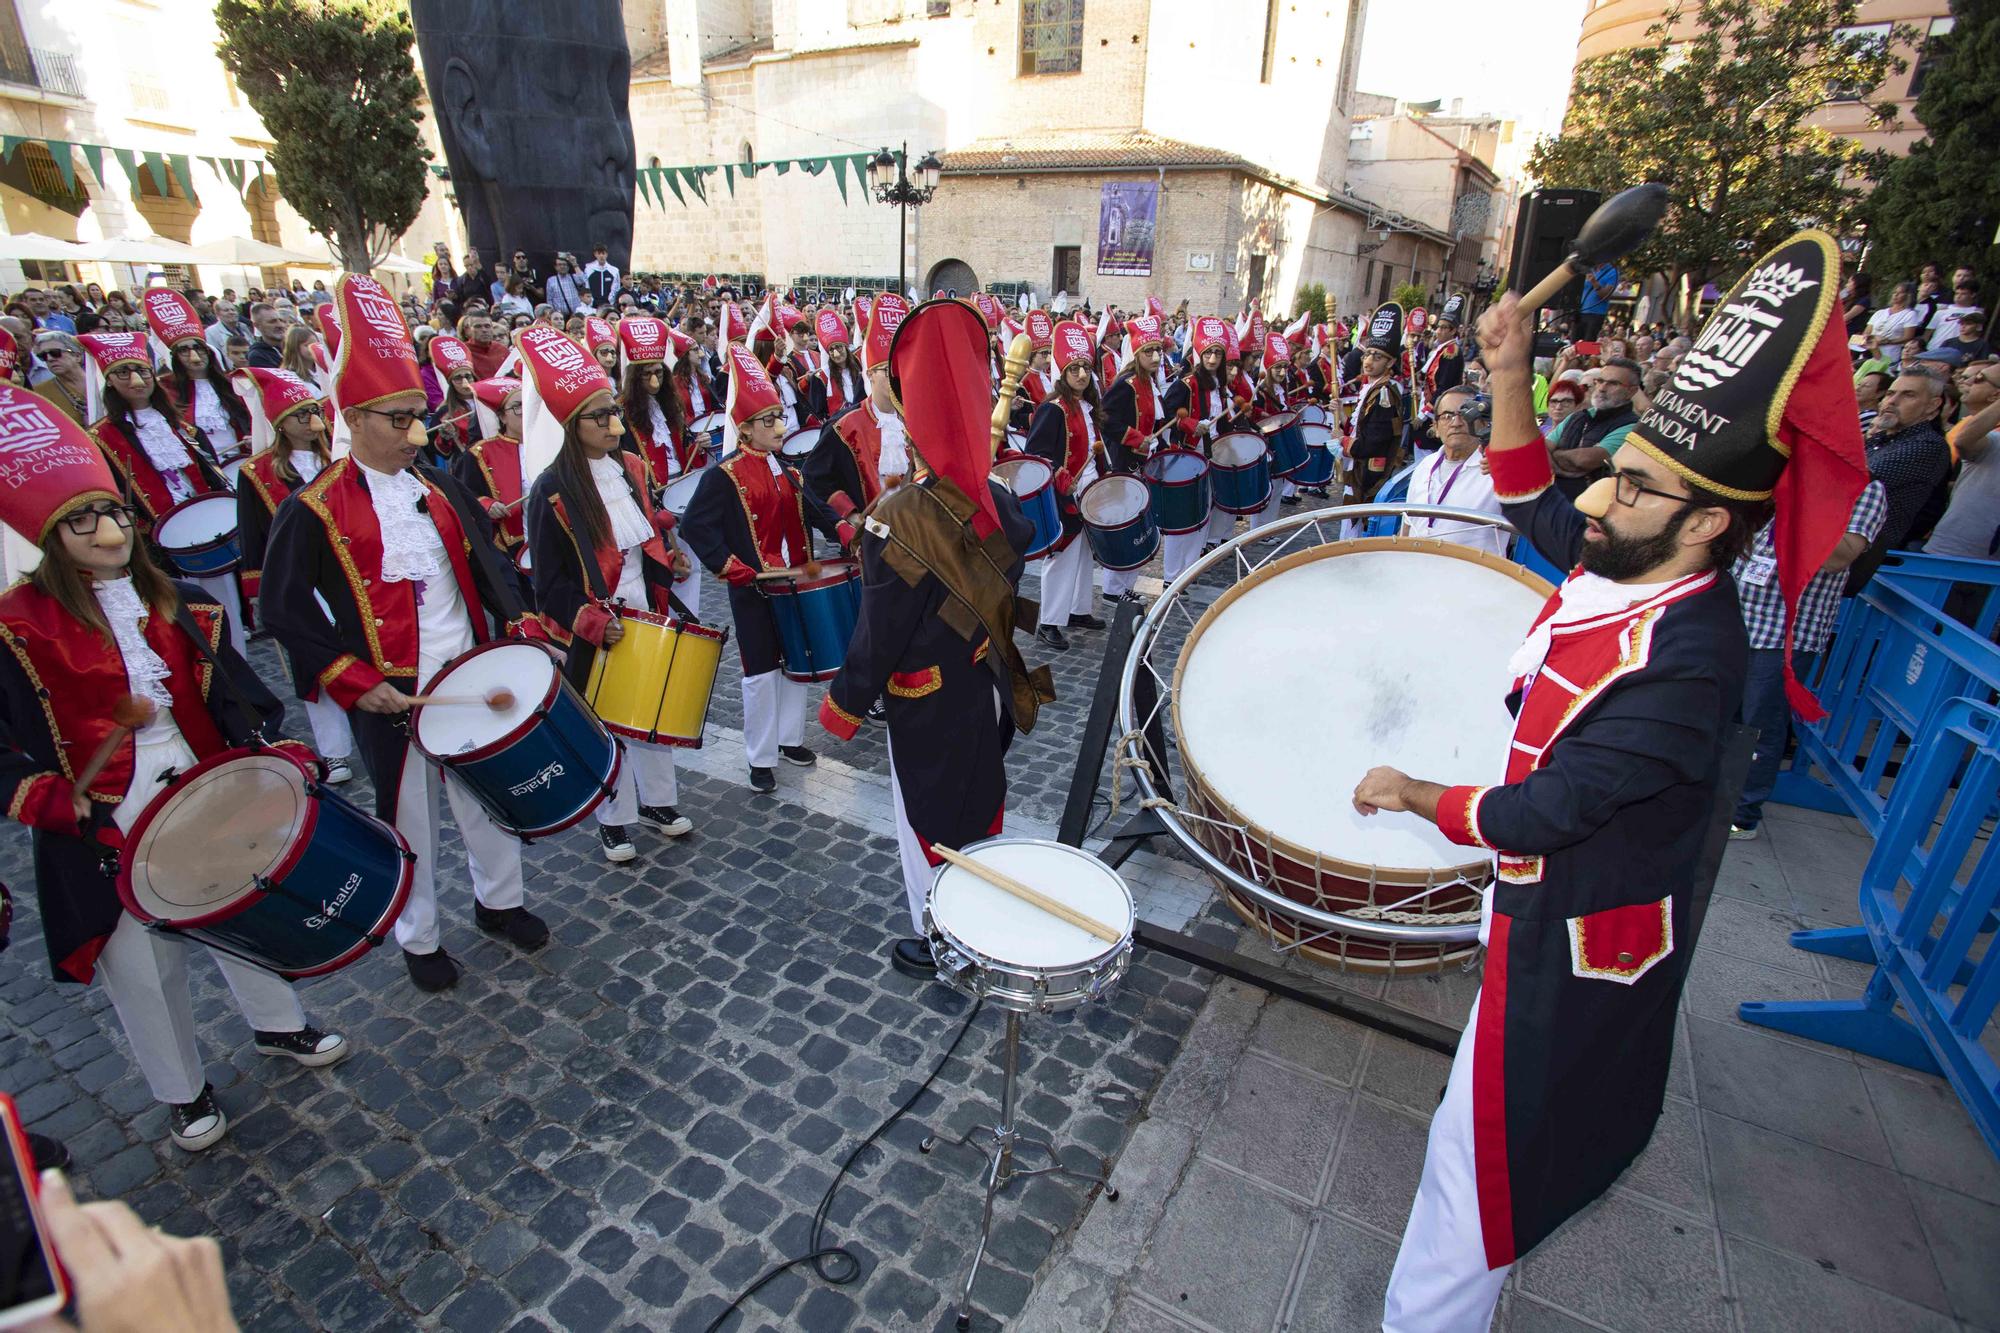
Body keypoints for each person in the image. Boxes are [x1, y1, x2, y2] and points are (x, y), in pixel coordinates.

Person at [1359, 232, 1869, 1332]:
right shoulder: (1627, 561)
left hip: (1572, 937)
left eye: (1633, 489)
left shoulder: (1688, 664)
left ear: (1706, 524)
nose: (1597, 505)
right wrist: (1506, 372)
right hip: (1533, 912)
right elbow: (1536, 501)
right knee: (1476, 1132)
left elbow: (1542, 812)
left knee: (1480, 1163)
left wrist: (1410, 792)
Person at [0, 385, 348, 1153]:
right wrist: (55, 799)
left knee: (237, 909)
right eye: (83, 518)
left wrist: (265, 745)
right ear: (50, 536)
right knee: (141, 958)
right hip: (103, 811)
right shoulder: (15, 627)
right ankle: (181, 1089)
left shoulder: (178, 598)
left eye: (115, 512)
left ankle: (277, 1024)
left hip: (200, 779)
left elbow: (235, 694)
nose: (108, 528)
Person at [260, 274, 550, 994]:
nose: (414, 432)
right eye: (397, 419)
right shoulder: (312, 509)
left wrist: (517, 623)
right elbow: (283, 612)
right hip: (392, 691)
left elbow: (485, 561)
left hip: (466, 668)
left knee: (489, 798)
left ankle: (500, 902)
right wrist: (357, 685)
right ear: (354, 416)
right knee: (407, 816)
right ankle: (418, 935)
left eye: (419, 416)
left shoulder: (440, 483)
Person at [815, 298, 1050, 978]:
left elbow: (879, 632)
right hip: (984, 683)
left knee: (927, 827)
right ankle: (980, 917)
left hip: (924, 698)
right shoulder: (999, 499)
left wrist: (845, 702)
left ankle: (947, 942)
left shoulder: (898, 515)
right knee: (980, 805)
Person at [514, 328, 695, 863]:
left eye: (614, 412)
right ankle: (613, 817)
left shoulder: (632, 469)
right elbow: (548, 583)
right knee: (605, 723)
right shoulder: (551, 490)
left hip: (644, 608)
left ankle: (659, 802)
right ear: (573, 426)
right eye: (601, 417)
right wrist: (591, 623)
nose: (616, 425)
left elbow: (647, 541)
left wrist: (672, 560)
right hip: (597, 623)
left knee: (654, 711)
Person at [680, 344, 851, 793]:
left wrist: (846, 529)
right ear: (746, 428)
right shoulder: (724, 474)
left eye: (780, 417)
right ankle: (759, 757)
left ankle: (789, 739)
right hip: (755, 587)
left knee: (798, 661)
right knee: (760, 671)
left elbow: (813, 509)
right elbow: (698, 527)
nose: (781, 426)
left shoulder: (787, 469)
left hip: (794, 581)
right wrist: (736, 570)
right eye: (770, 420)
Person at [1729, 477, 1887, 838]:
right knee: (1725, 717)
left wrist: (1801, 500)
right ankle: (1714, 800)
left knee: (1759, 726)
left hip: (1785, 633)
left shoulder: (1862, 488)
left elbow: (1839, 556)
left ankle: (1743, 815)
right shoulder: (1783, 476)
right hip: (1736, 620)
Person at [81, 332, 246, 653]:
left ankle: (234, 655)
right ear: (109, 381)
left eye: (142, 371)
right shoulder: (102, 436)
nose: (136, 380)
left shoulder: (180, 425)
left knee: (222, 602)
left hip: (201, 525)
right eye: (123, 372)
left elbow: (207, 473)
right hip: (153, 537)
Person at [231, 367, 355, 786]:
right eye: (299, 414)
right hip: (300, 579)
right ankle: (335, 751)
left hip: (346, 571)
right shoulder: (256, 472)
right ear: (280, 422)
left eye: (312, 411)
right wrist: (256, 589)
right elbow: (253, 531)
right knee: (314, 663)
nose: (310, 420)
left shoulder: (339, 456)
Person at [1024, 319, 1110, 650]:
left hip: (1090, 491)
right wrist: (1062, 478)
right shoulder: (1053, 408)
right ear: (1063, 372)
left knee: (1086, 554)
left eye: (1085, 368)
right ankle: (1049, 621)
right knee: (1062, 558)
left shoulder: (1088, 406)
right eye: (1073, 368)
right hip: (1065, 496)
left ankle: (1078, 610)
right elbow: (1037, 455)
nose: (1080, 374)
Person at [802, 292, 910, 542]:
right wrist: (849, 516)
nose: (896, 377)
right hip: (869, 539)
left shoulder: (915, 421)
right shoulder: (844, 425)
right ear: (870, 373)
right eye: (886, 371)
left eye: (901, 369)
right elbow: (813, 480)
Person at [1099, 313, 1170, 602]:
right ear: (1136, 353)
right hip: (1124, 463)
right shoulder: (1126, 384)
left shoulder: (1150, 382)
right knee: (1124, 526)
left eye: (1158, 350)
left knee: (1138, 524)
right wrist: (1135, 438)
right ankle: (1112, 589)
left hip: (1142, 463)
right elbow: (1104, 418)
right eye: (1148, 351)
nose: (1155, 356)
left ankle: (1125, 586)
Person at [1156, 315, 1233, 580]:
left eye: (1217, 353)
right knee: (1183, 519)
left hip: (1211, 458)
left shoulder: (1221, 388)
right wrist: (1190, 424)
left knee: (1204, 514)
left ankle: (1190, 570)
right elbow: (1166, 417)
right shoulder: (1185, 384)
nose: (1212, 358)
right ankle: (1171, 576)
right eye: (1208, 352)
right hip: (1187, 458)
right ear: (1199, 353)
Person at [1401, 386, 1508, 556]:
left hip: (1474, 576)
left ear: (1483, 422)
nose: (1456, 423)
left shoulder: (1498, 471)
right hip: (1418, 571)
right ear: (1435, 426)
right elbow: (1407, 525)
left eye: (1465, 414)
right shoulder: (1425, 466)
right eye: (1447, 416)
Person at [148, 292, 251, 463]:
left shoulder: (231, 383)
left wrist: (253, 436)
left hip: (239, 459)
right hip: (202, 463)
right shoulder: (167, 389)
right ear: (176, 357)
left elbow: (251, 418)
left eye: (198, 348)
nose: (194, 356)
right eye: (184, 350)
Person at [1864, 369, 1951, 549]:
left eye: (1908, 395)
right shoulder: (1881, 438)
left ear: (1932, 405)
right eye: (1890, 394)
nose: (1892, 401)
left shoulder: (1928, 445)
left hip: (1866, 551)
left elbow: (1856, 480)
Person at [451, 377, 528, 564]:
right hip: (511, 547)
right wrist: (487, 504)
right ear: (502, 416)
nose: (525, 412)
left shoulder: (553, 444)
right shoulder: (480, 453)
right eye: (518, 406)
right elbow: (461, 495)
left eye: (529, 405)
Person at [1547, 356, 1642, 499]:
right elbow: (1540, 449)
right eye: (1600, 381)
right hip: (1555, 499)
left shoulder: (1632, 426)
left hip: (1591, 508)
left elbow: (1584, 459)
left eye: (1613, 383)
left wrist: (1555, 455)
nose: (1602, 388)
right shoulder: (1577, 416)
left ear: (1632, 391)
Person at [1345, 337, 1406, 504]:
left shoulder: (1383, 394)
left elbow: (1372, 443)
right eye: (1367, 355)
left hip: (1367, 471)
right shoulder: (1371, 388)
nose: (1369, 361)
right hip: (1358, 465)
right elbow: (1358, 426)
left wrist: (1343, 442)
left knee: (1355, 522)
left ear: (1390, 362)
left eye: (1377, 357)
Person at [424, 334, 481, 466]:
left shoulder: (488, 403)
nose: (465, 382)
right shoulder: (445, 413)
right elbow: (441, 452)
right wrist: (445, 437)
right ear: (451, 383)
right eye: (458, 378)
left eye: (468, 376)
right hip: (467, 465)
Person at [807, 309, 865, 424]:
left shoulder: (858, 369)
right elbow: (818, 413)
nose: (836, 353)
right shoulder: (820, 378)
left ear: (846, 348)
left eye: (838, 347)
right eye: (831, 350)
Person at [28, 330, 88, 428]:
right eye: (43, 356)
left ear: (77, 356)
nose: (50, 359)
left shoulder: (103, 382)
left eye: (55, 353)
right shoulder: (39, 393)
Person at [1865, 281, 1923, 367]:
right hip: (1869, 351)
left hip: (1890, 352)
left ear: (1907, 296)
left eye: (1900, 293)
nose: (1896, 295)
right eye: (1895, 292)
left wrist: (1887, 341)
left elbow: (1908, 337)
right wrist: (1871, 339)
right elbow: (1866, 332)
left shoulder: (1910, 314)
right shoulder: (1880, 313)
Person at [1577, 260, 1616, 339]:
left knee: (1587, 344)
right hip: (1580, 311)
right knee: (1574, 343)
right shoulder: (1589, 269)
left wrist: (1594, 282)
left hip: (1595, 314)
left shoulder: (1612, 272)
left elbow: (1605, 295)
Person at [243, 302, 288, 368]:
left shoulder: (295, 347)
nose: (280, 325)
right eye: (272, 321)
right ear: (257, 326)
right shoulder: (258, 356)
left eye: (281, 320)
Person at [204, 300, 243, 366]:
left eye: (233, 310)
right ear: (217, 314)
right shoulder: (211, 332)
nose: (231, 312)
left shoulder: (244, 327)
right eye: (226, 310)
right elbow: (214, 357)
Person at [583, 243, 620, 310]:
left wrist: (610, 301)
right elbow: (587, 287)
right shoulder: (588, 269)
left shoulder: (614, 270)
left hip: (608, 305)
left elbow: (616, 288)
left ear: (607, 254)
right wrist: (591, 301)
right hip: (593, 305)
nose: (601, 256)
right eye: (599, 253)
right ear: (595, 254)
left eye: (603, 253)